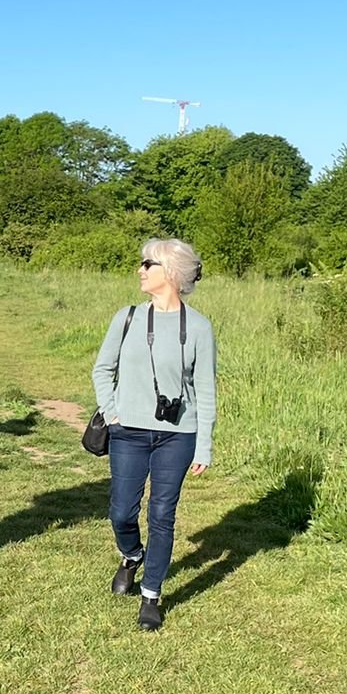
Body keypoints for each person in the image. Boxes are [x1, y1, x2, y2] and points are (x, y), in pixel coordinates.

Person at [91, 239, 217, 631]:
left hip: (177, 436)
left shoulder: (198, 327)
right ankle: (131, 555)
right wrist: (112, 413)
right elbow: (101, 369)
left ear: (172, 273)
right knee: (121, 511)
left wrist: (205, 444)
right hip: (127, 432)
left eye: (149, 264)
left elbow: (206, 389)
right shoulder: (126, 317)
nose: (140, 270)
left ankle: (151, 596)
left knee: (162, 514)